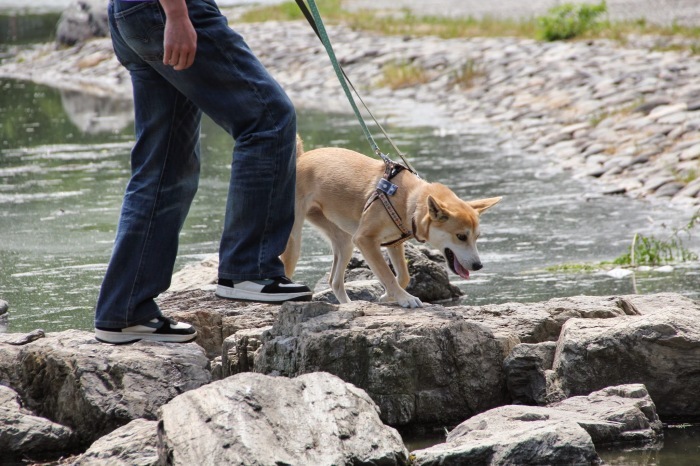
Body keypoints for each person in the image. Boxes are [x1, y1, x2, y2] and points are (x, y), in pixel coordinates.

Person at [94, 0, 311, 345]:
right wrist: (178, 15)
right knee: (268, 119)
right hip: (169, 10)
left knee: (165, 167)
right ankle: (248, 268)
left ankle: (124, 310)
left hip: (131, 12)